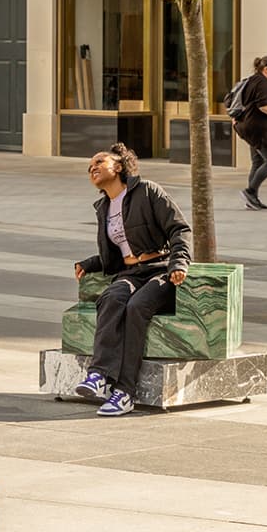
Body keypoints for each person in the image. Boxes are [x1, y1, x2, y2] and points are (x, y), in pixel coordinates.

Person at [74, 142, 191, 417]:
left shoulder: (147, 191)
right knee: (111, 298)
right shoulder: (104, 207)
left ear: (119, 166)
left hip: (160, 269)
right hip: (130, 273)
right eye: (90, 166)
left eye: (99, 162)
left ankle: (125, 392)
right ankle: (99, 375)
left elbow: (179, 229)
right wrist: (91, 263)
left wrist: (179, 262)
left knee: (136, 307)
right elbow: (118, 251)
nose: (93, 168)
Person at [235, 55, 267, 210]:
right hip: (261, 130)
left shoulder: (252, 79)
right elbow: (263, 106)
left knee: (258, 162)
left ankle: (252, 200)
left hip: (250, 128)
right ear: (266, 69)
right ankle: (250, 192)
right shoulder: (263, 83)